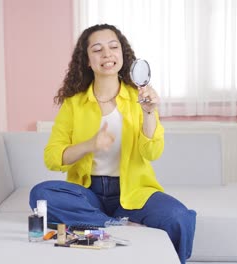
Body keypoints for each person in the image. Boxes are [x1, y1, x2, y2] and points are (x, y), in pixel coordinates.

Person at [29, 24, 196, 263]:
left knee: (179, 217)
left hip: (134, 192)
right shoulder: (74, 104)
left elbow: (153, 152)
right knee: (41, 194)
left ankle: (97, 228)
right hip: (88, 193)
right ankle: (119, 226)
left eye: (113, 47)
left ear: (122, 54)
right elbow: (52, 157)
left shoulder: (139, 98)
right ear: (87, 60)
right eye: (97, 49)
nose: (107, 54)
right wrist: (90, 145)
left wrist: (149, 113)